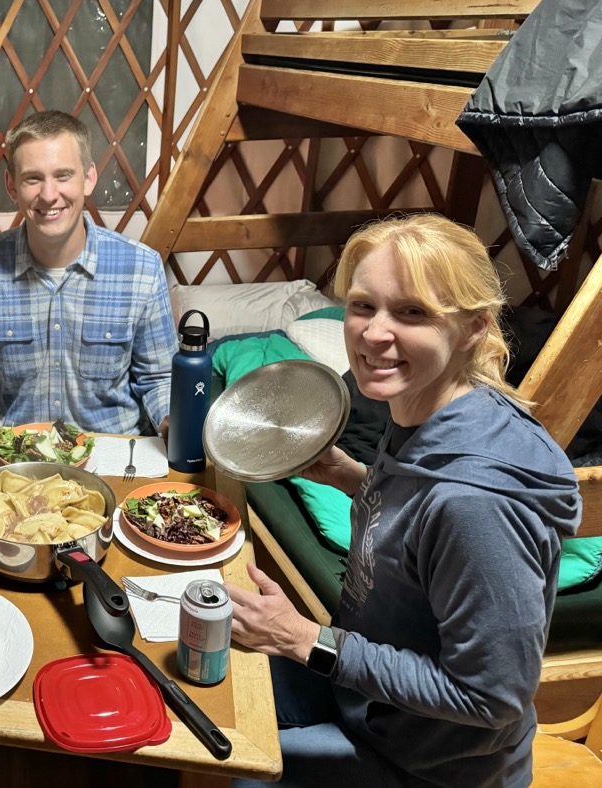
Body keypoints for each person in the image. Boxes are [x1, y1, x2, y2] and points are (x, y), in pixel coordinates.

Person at [228, 213, 580, 788]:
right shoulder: (421, 408)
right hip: (366, 702)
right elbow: (420, 525)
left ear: (473, 328)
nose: (372, 333)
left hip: (428, 766)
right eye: (364, 305)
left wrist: (303, 637)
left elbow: (491, 696)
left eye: (411, 312)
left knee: (226, 773)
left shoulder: (476, 504)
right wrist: (355, 479)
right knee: (206, 675)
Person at [0, 110, 175, 435]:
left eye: (63, 175)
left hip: (111, 457)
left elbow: (159, 377)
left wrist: (170, 418)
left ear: (89, 178)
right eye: (33, 178)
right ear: (12, 185)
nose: (49, 194)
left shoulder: (141, 269)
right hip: (17, 458)